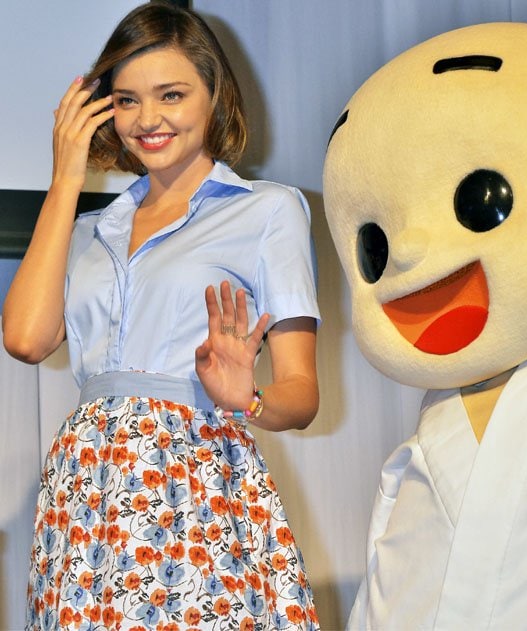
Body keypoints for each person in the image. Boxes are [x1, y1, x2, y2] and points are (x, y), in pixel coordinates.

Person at [2, 2, 320, 629]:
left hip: (196, 482)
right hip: (88, 492)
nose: (148, 120)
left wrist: (247, 397)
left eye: (171, 94)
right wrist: (67, 174)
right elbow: (25, 338)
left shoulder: (267, 211)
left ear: (213, 95)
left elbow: (302, 395)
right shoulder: (90, 229)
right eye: (125, 100)